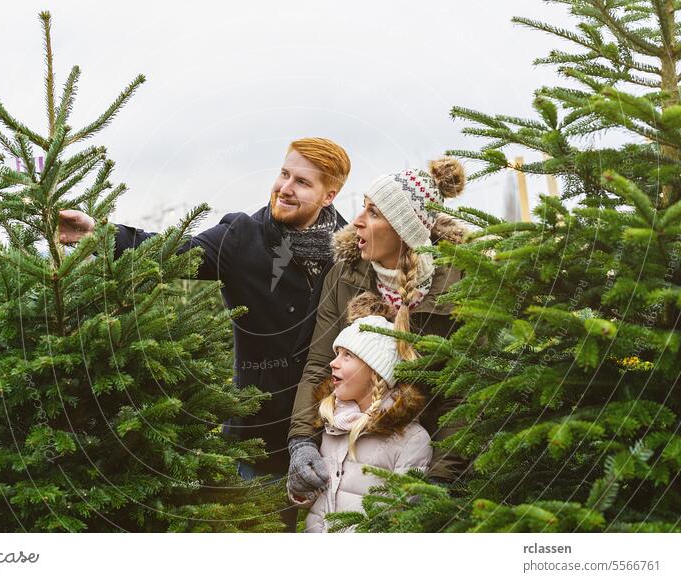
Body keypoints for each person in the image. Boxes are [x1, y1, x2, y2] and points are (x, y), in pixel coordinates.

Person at [57, 138, 351, 532]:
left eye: (302, 182)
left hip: (333, 435)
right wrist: (99, 234)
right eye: (284, 174)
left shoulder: (351, 250)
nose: (285, 187)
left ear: (329, 195)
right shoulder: (242, 236)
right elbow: (171, 252)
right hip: (258, 438)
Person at [287, 158, 470, 503]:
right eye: (363, 208)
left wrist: (440, 483)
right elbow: (319, 363)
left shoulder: (459, 285)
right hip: (353, 448)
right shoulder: (344, 276)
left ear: (405, 229)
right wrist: (301, 442)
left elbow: (465, 395)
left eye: (373, 212)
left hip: (420, 452)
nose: (356, 221)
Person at [287, 305, 432, 533]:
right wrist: (300, 488)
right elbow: (315, 501)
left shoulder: (412, 441)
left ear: (376, 373)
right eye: (336, 354)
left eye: (348, 356)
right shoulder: (332, 424)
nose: (333, 363)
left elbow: (400, 521)